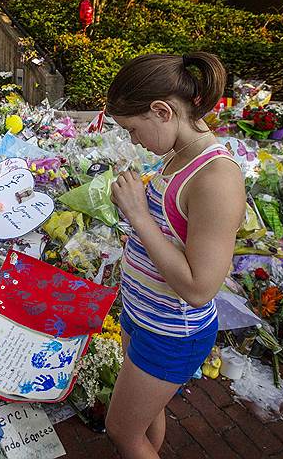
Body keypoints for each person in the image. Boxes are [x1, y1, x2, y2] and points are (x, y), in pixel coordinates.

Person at [104, 52, 246, 458]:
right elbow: (171, 229)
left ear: (162, 111)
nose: (133, 139)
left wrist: (136, 214)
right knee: (145, 417)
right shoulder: (177, 154)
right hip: (144, 314)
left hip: (172, 332)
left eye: (132, 129)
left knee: (121, 430)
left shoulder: (217, 178)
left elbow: (200, 289)